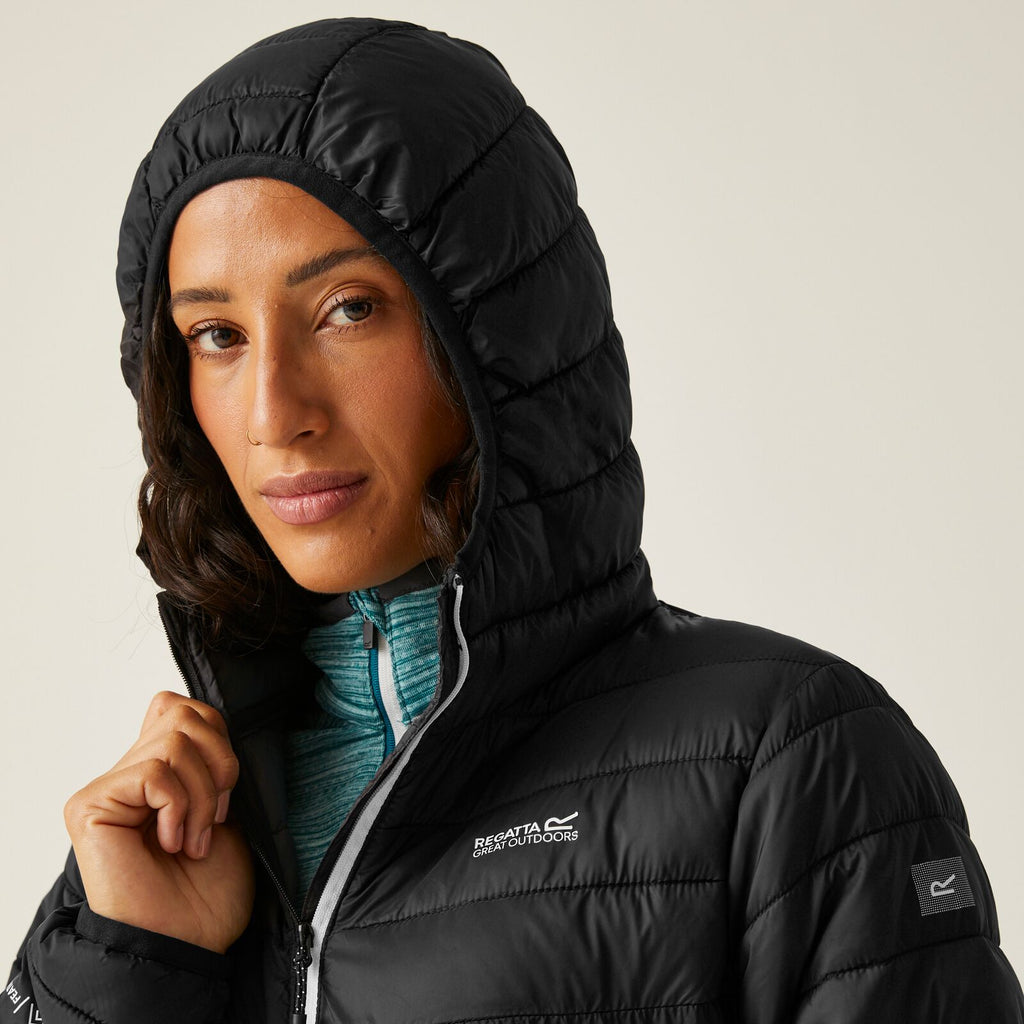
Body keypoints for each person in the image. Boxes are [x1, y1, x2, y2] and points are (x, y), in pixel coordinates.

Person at [4, 15, 1022, 1024]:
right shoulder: (161, 845)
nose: (275, 413)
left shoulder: (787, 766)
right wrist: (127, 967)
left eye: (348, 309)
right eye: (217, 335)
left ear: (497, 333)